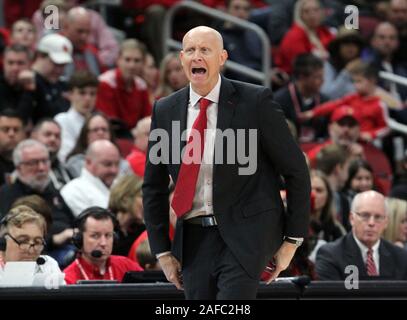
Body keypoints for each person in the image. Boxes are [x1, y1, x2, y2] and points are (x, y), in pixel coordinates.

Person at [142, 26, 311, 299]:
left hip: (247, 234)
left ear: (222, 58)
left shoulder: (255, 102)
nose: (196, 56)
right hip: (194, 238)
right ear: (182, 58)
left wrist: (292, 241)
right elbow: (153, 187)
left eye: (205, 50)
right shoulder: (165, 110)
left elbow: (296, 171)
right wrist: (162, 251)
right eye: (190, 50)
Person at [315, 190, 407, 280]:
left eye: (378, 217)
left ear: (386, 222)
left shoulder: (401, 257)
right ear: (352, 219)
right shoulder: (331, 255)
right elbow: (332, 294)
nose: (371, 223)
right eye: (365, 215)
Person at [63, 206, 142, 284]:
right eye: (95, 236)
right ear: (79, 239)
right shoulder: (67, 279)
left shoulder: (127, 267)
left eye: (108, 235)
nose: (103, 243)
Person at [0, 205, 65, 286]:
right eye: (23, 241)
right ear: (3, 243)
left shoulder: (49, 266)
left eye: (37, 242)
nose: (31, 250)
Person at [61, 140, 120, 217]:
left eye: (117, 164)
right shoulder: (74, 191)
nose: (114, 170)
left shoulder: (119, 185)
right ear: (88, 162)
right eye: (107, 164)